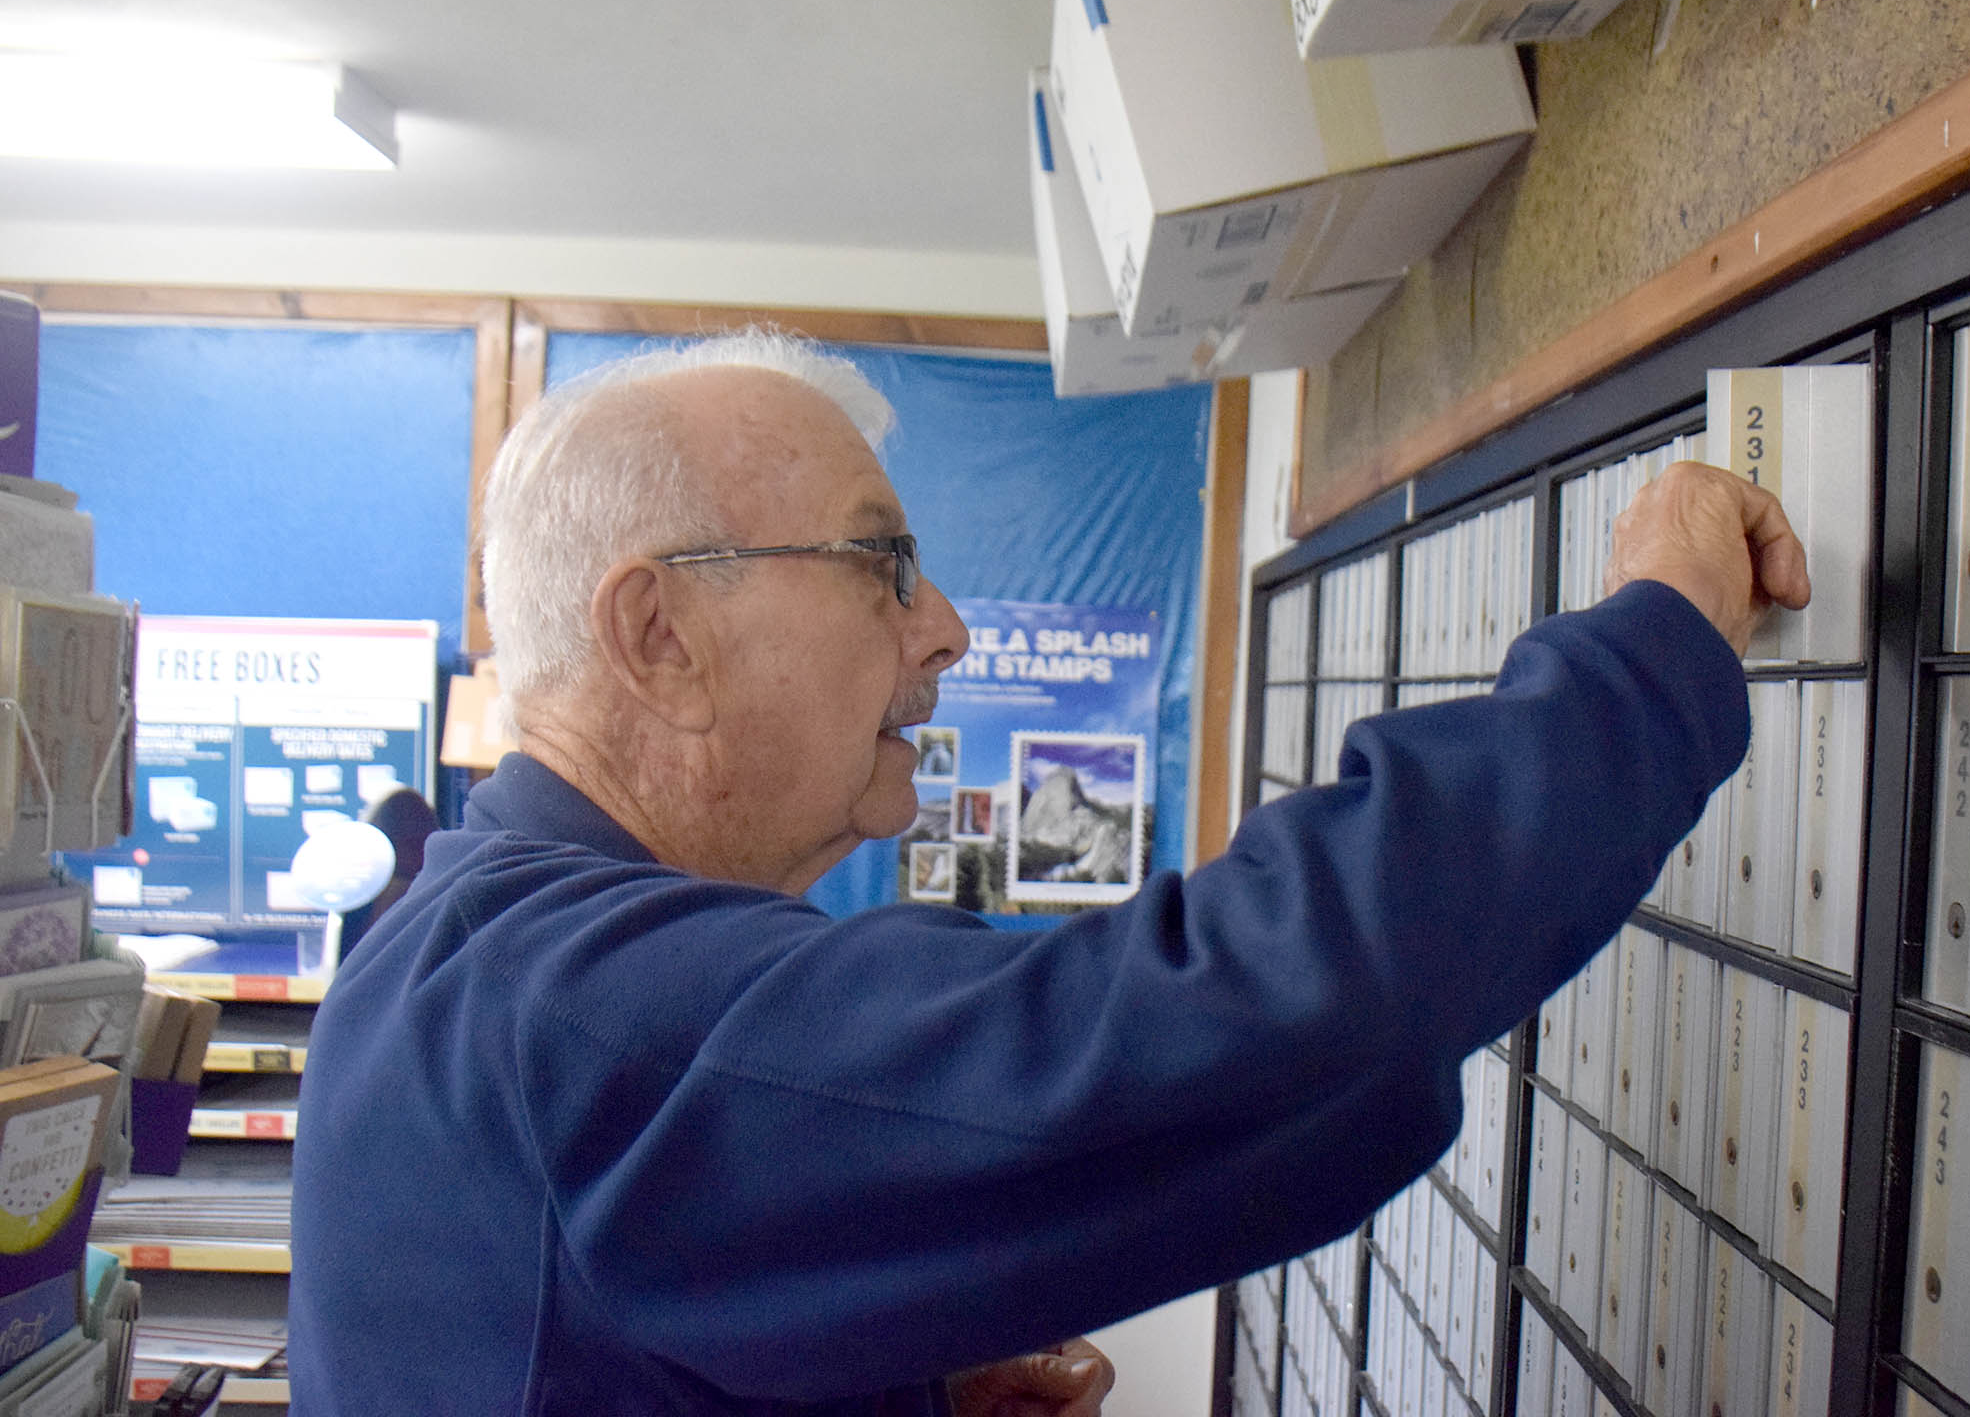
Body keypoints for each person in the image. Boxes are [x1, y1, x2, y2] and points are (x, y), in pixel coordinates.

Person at [289, 329, 1807, 1414]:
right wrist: (1654, 650)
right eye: (882, 564)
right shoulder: (574, 1015)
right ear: (659, 637)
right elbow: (1233, 1023)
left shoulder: (455, 950)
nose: (944, 625)